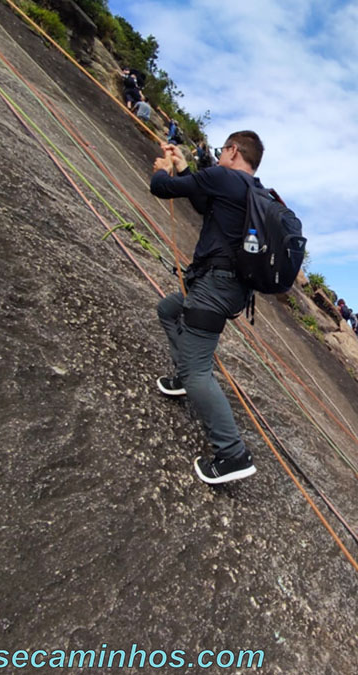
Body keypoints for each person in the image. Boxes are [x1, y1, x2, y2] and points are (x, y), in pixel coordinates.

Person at [149, 131, 266, 485]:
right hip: (233, 289)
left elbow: (162, 189)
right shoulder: (254, 191)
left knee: (198, 370)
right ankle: (184, 378)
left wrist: (163, 169)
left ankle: (233, 454)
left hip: (215, 285)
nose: (217, 157)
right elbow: (204, 205)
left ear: (232, 151)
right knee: (170, 308)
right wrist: (184, 166)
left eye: (221, 152)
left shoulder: (222, 176)